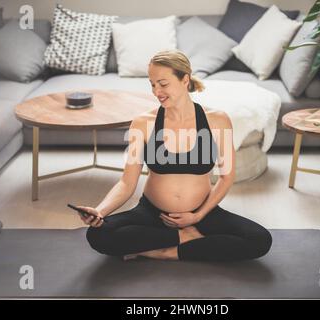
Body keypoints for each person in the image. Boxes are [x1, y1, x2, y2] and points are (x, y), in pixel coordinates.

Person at [79, 50, 272, 262]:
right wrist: (99, 211)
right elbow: (127, 182)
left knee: (259, 240)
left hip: (202, 213)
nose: (156, 91)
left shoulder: (217, 120)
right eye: (152, 84)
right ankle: (184, 238)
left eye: (163, 83)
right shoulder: (143, 123)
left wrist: (198, 216)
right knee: (98, 234)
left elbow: (227, 177)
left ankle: (165, 251)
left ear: (185, 79)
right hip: (153, 213)